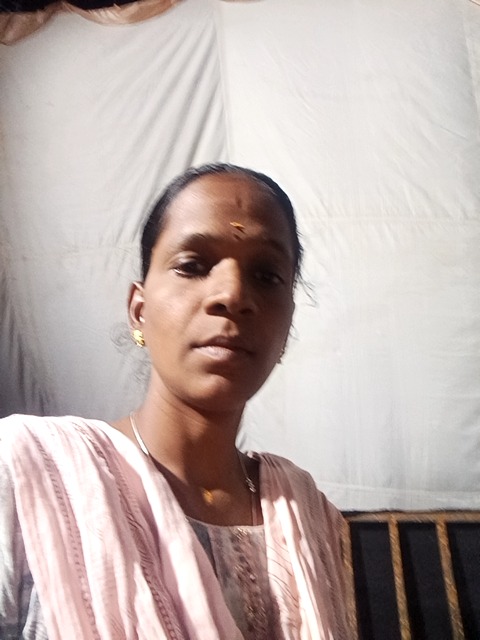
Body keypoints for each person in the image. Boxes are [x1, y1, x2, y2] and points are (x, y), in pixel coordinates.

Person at [0, 163, 349, 639]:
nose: (232, 294)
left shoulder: (307, 512)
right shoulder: (26, 471)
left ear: (287, 324)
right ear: (138, 310)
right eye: (192, 265)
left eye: (266, 275)